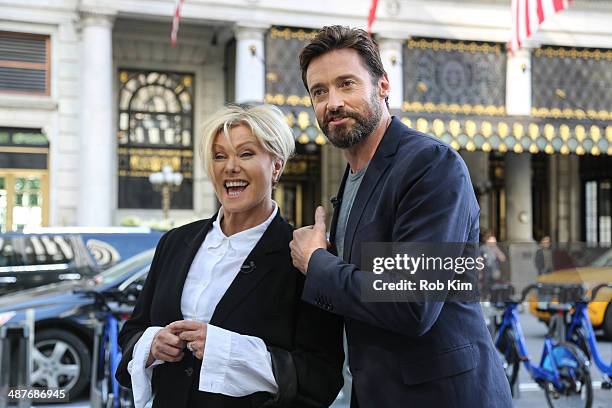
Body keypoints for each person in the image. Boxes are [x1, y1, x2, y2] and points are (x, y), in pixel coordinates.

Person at [289, 26, 512, 407]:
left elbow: (412, 302)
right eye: (319, 91)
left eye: (347, 84)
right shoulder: (353, 178)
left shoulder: (430, 164)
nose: (333, 102)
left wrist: (317, 262)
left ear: (383, 85)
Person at [116, 104, 344, 408]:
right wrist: (152, 345)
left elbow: (321, 377)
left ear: (276, 166)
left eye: (246, 154)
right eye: (219, 156)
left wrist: (227, 351)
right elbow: (133, 332)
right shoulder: (175, 242)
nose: (230, 167)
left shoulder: (303, 256)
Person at [480, 230, 507, 296]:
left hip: (495, 269)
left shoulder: (495, 248)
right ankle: (486, 296)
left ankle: (492, 297)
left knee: (494, 284)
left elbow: (503, 258)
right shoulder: (483, 248)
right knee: (486, 284)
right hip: (486, 269)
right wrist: (479, 271)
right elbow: (479, 259)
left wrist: (497, 250)